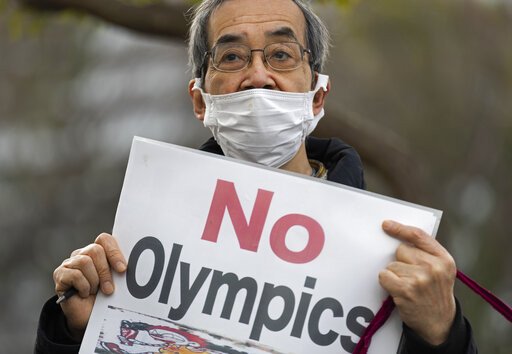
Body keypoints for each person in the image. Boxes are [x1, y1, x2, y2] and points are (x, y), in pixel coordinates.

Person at [35, 0, 477, 353]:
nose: (259, 76)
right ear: (200, 101)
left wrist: (442, 336)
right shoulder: (135, 248)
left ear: (318, 95)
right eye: (231, 57)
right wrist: (75, 335)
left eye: (282, 55)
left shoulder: (394, 260)